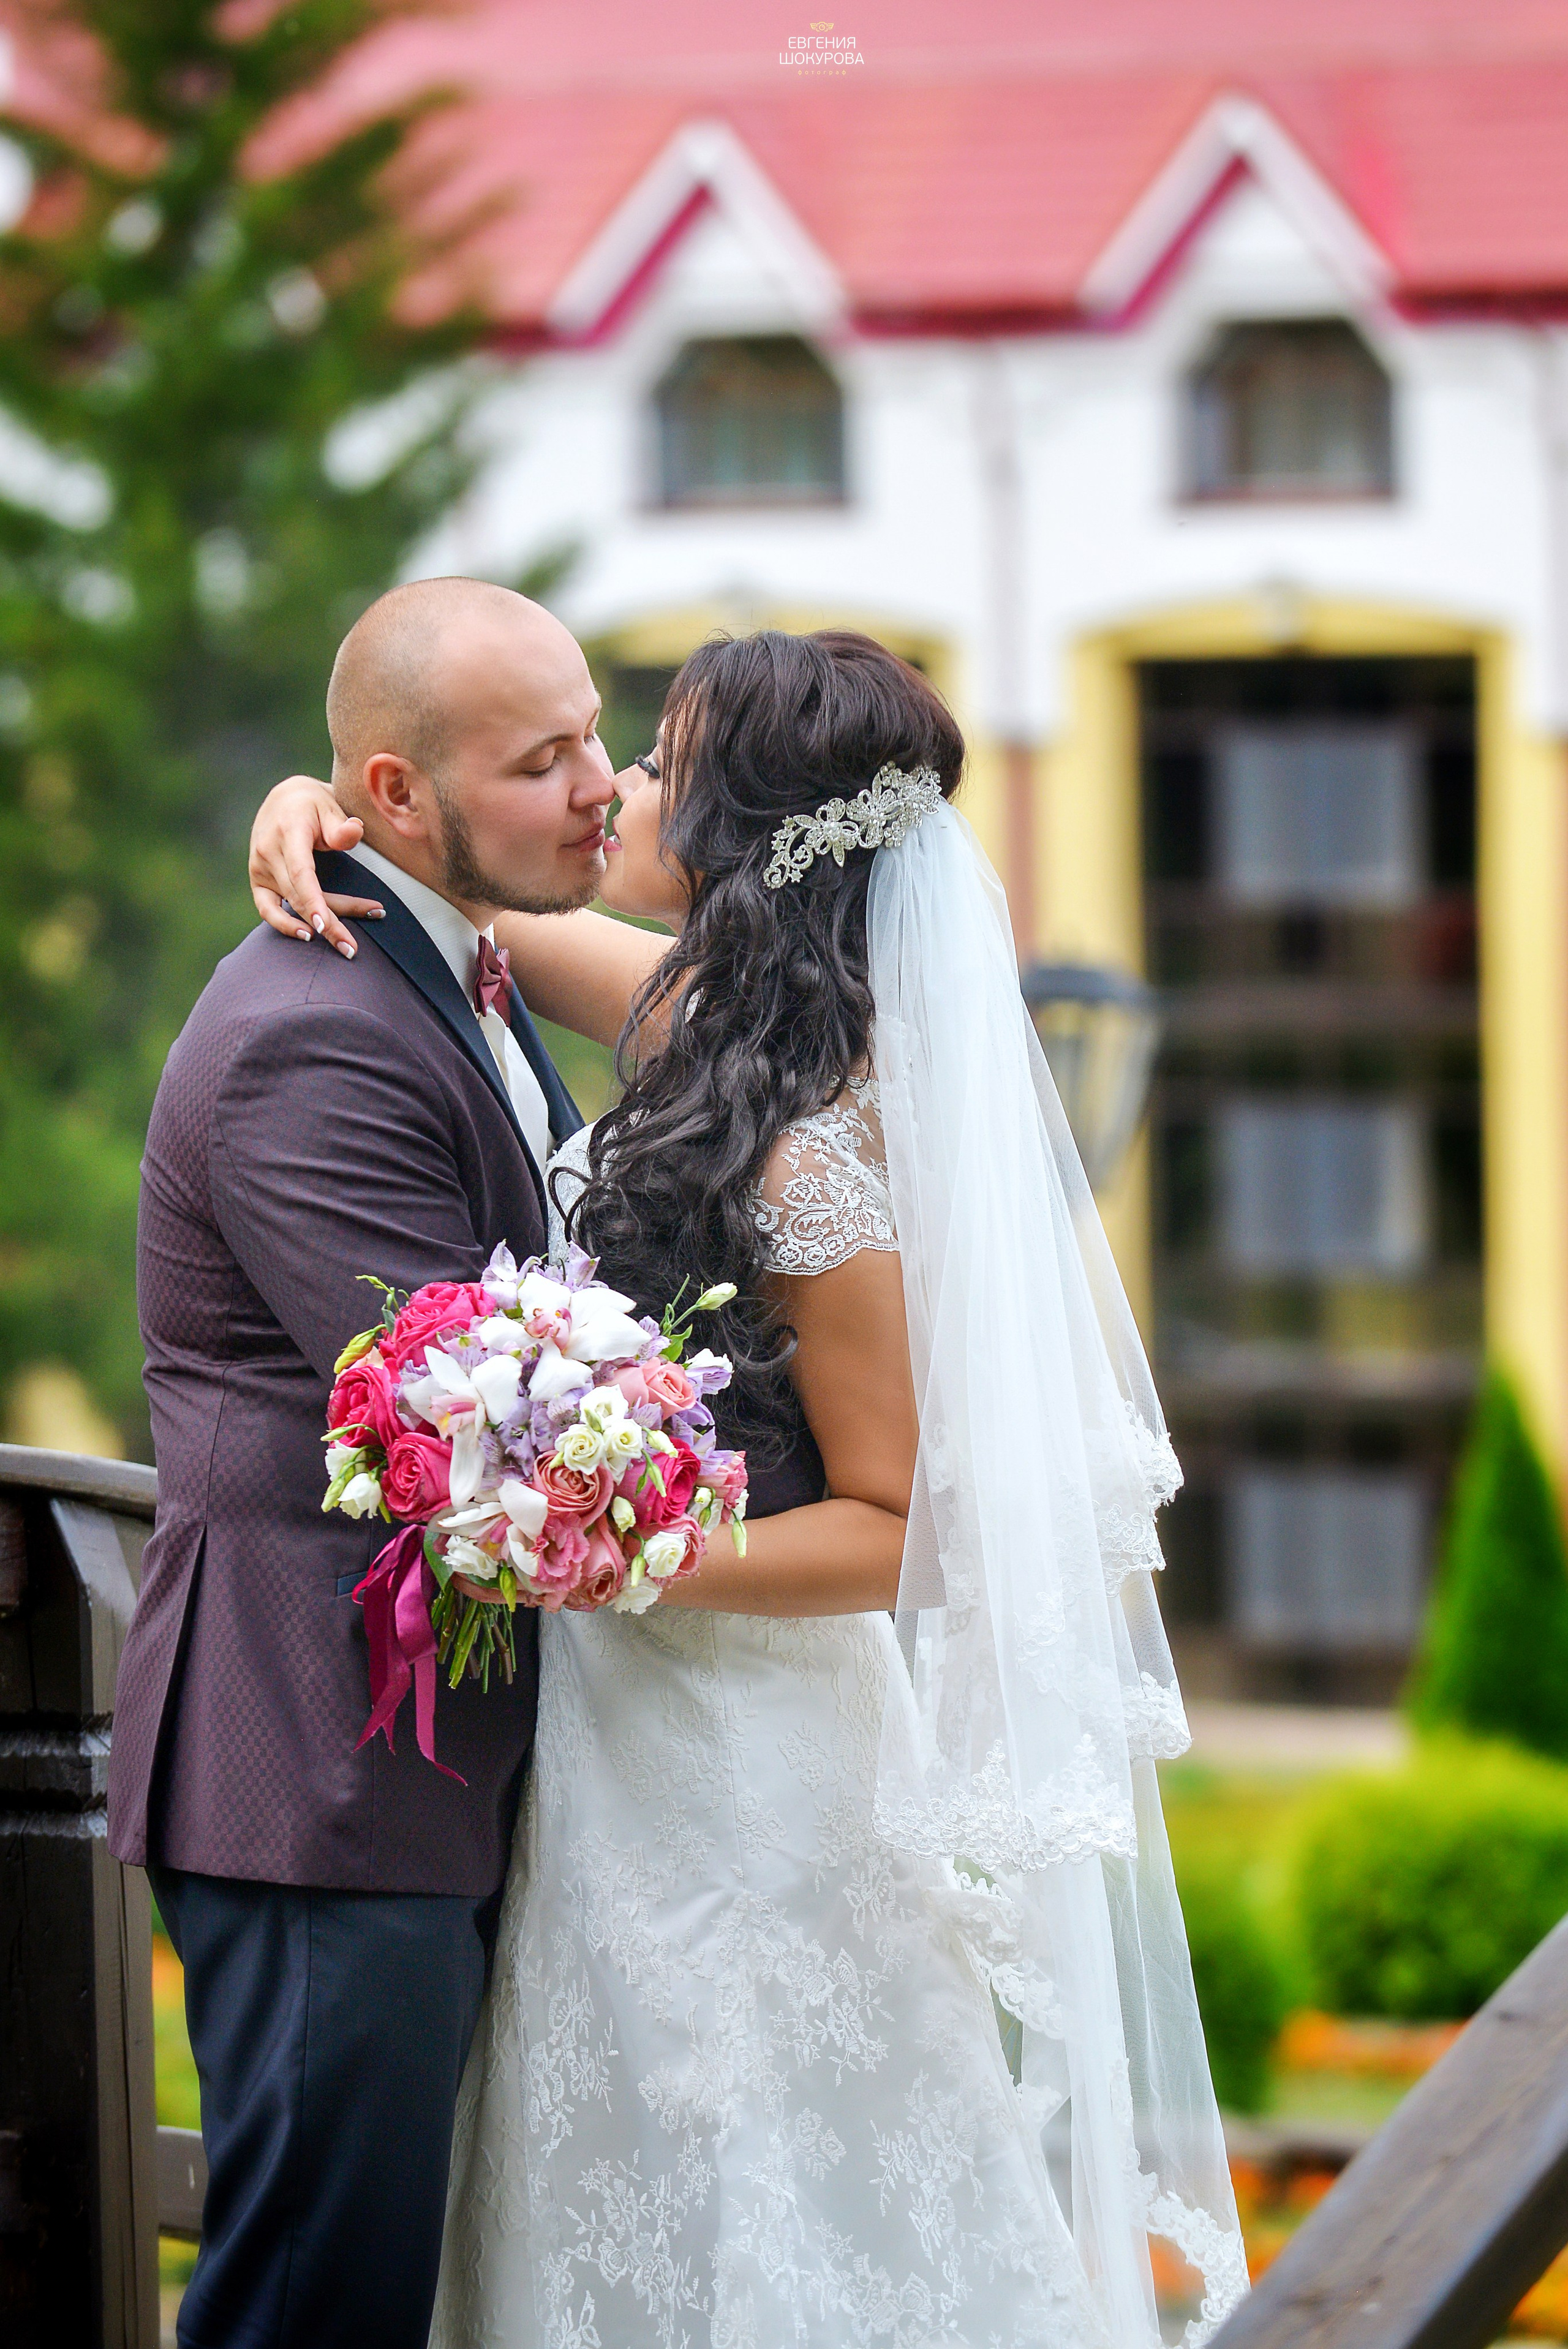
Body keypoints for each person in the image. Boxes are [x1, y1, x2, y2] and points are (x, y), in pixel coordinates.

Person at [246, 625, 1245, 2348]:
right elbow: (457, 898)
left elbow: (908, 1521)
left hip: (755, 1754)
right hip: (622, 1746)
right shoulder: (710, 1026)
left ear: (747, 825)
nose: (617, 783)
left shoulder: (815, 1139)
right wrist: (314, 804)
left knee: (762, 2179)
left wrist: (619, 1549)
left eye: (654, 759)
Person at [107, 577, 643, 2349]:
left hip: (411, 1759)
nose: (602, 789)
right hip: (324, 1755)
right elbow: (472, 1422)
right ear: (399, 798)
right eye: (543, 757)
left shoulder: (451, 961)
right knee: (311, 2303)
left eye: (595, 735)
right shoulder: (314, 1038)